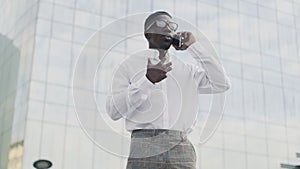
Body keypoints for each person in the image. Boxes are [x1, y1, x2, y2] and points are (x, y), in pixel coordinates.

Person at [106, 11, 231, 169]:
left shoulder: (187, 70)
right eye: (160, 24)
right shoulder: (128, 66)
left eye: (171, 26)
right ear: (148, 34)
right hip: (143, 145)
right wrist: (147, 81)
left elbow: (222, 83)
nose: (167, 29)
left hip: (180, 146)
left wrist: (194, 46)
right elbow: (113, 111)